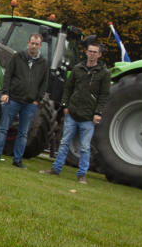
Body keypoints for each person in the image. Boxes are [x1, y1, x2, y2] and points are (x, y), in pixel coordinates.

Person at [41, 43, 110, 184]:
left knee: (85, 147)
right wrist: (65, 105)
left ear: (99, 54)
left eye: (95, 52)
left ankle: (82, 175)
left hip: (89, 117)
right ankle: (56, 169)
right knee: (64, 142)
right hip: (72, 113)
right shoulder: (77, 69)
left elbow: (104, 95)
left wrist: (98, 113)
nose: (92, 54)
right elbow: (68, 88)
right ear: (86, 53)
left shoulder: (104, 73)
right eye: (90, 51)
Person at [0, 33, 49, 167]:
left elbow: (44, 83)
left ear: (40, 46)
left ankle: (17, 160)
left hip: (30, 103)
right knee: (3, 128)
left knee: (23, 133)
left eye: (36, 44)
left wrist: (37, 100)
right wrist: (5, 93)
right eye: (32, 43)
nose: (34, 46)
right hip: (13, 100)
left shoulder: (43, 63)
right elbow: (8, 76)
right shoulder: (17, 57)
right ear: (28, 43)